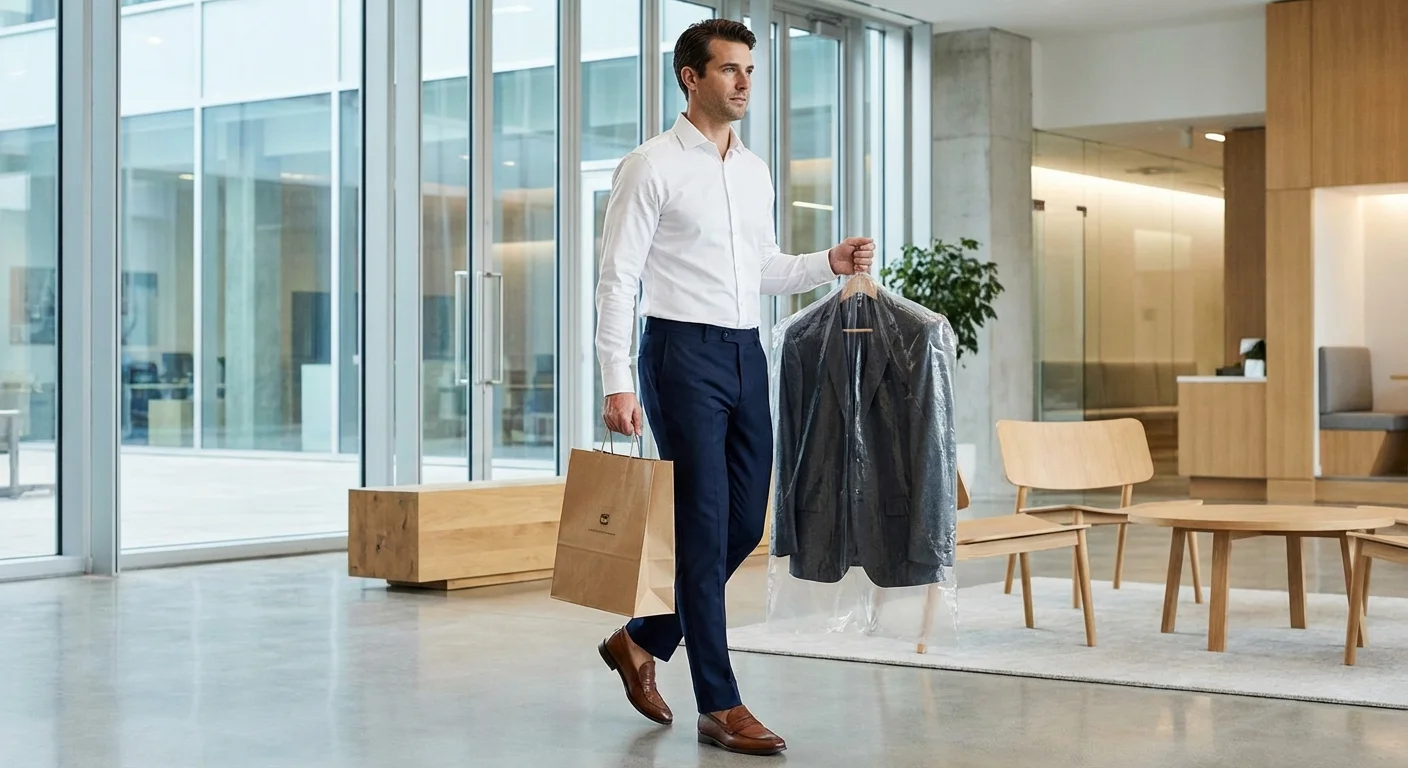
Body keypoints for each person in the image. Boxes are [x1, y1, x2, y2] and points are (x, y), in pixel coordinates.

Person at [592, 18, 874, 757]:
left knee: (744, 522)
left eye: (750, 69)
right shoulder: (649, 165)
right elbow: (617, 280)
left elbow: (765, 269)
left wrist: (830, 261)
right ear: (692, 77)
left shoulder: (752, 169)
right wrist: (616, 379)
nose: (746, 82)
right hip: (679, 354)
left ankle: (641, 639)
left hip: (748, 352)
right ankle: (720, 703)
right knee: (702, 523)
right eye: (730, 70)